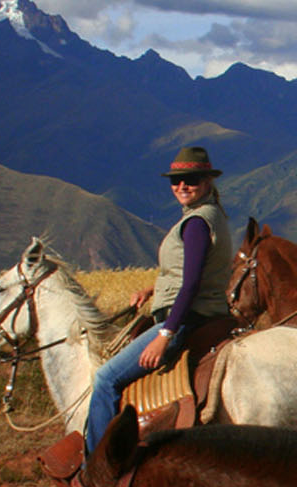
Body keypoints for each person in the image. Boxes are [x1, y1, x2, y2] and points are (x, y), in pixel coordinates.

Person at [83, 146, 233, 451]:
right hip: (208, 313)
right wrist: (153, 290)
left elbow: (191, 284)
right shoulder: (210, 216)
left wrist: (165, 334)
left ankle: (96, 464)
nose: (182, 186)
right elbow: (192, 273)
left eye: (190, 179)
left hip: (185, 320)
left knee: (106, 379)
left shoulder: (195, 224)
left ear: (206, 182)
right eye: (176, 180)